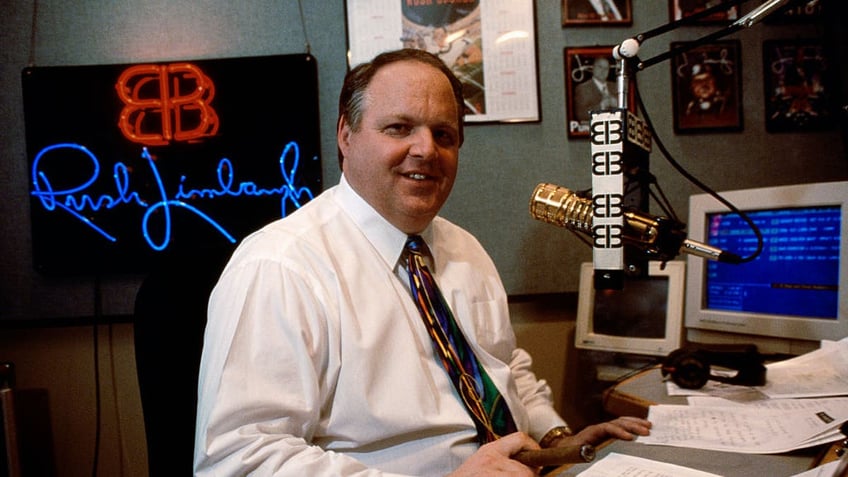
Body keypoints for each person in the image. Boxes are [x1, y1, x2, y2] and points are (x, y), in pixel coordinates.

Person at [194, 48, 651, 476]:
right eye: (399, 128)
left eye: (443, 134)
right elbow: (241, 460)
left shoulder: (463, 248)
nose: (426, 150)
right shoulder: (280, 266)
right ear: (346, 136)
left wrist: (560, 441)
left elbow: (504, 367)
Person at [573, 56, 619, 122]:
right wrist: (601, 106)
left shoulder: (616, 86)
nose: (603, 71)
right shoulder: (582, 88)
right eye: (600, 67)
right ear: (593, 68)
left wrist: (618, 104)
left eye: (606, 68)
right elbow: (580, 114)